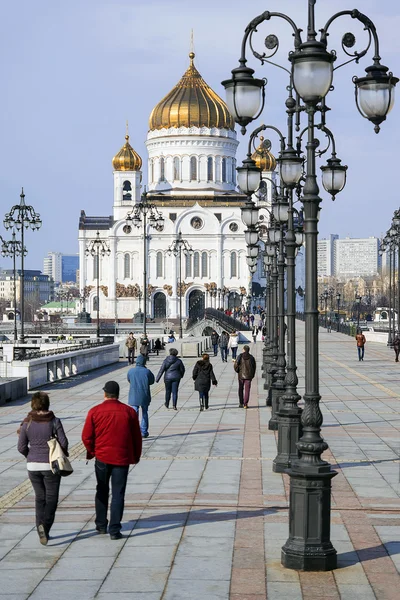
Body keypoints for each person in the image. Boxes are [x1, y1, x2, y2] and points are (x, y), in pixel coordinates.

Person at [82, 381, 142, 540]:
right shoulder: (129, 412)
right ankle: (114, 529)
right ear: (118, 394)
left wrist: (93, 451)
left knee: (101, 490)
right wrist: (136, 455)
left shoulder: (94, 411)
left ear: (105, 394)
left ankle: (101, 525)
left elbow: (86, 437)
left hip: (102, 458)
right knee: (118, 494)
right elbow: (137, 437)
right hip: (122, 459)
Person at [17, 391, 69, 545]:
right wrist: (61, 456)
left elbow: (21, 447)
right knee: (51, 498)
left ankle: (40, 526)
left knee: (40, 497)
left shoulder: (27, 423)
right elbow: (64, 443)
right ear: (47, 404)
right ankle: (44, 527)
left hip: (32, 466)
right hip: (50, 465)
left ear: (33, 404)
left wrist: (30, 456)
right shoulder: (54, 421)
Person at [127, 355, 155, 438]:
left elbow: (129, 380)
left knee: (134, 412)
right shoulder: (147, 371)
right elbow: (152, 381)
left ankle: (134, 430)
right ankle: (144, 431)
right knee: (145, 413)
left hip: (133, 394)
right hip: (144, 394)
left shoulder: (131, 371)